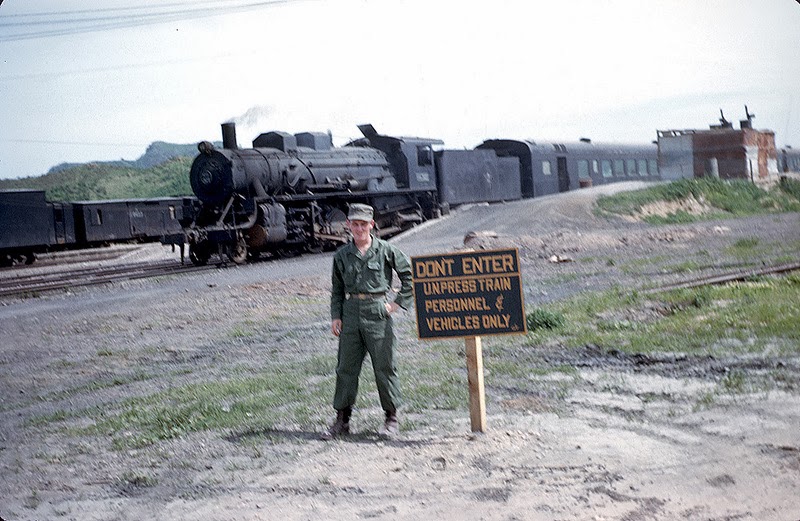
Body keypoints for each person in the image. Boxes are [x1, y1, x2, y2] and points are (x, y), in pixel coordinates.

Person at [322, 203, 413, 440]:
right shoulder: (341, 256)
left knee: (385, 366)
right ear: (348, 225)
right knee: (346, 368)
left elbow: (409, 275)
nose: (359, 229)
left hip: (378, 313)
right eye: (355, 224)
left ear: (372, 225)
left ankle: (391, 418)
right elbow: (337, 289)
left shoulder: (385, 250)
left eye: (364, 224)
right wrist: (336, 316)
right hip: (351, 314)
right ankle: (342, 421)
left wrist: (396, 303)